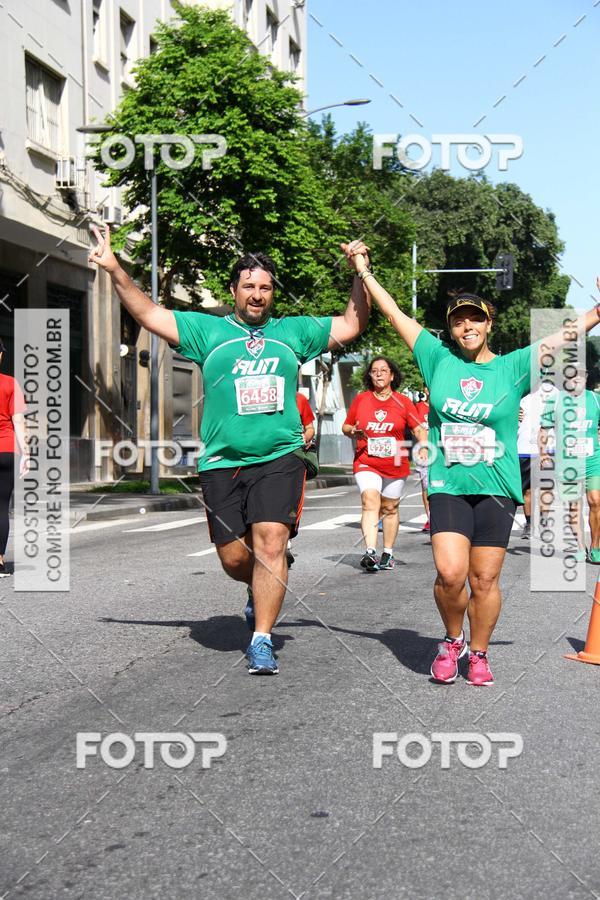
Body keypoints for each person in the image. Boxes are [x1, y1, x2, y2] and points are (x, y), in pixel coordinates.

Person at [88, 225, 370, 675]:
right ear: (234, 291)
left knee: (271, 544)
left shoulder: (293, 332)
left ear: (273, 293)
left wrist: (360, 273)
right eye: (249, 287)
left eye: (265, 287)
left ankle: (261, 639)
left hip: (280, 456)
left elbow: (353, 324)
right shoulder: (207, 332)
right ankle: (256, 585)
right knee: (235, 557)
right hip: (222, 462)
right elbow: (148, 314)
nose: (257, 294)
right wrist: (114, 268)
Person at [341, 239, 600, 685]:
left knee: (484, 581)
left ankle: (478, 653)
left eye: (475, 319)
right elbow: (395, 313)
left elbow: (565, 336)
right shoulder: (435, 358)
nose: (467, 327)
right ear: (451, 330)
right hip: (448, 484)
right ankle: (452, 639)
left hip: (497, 487)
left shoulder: (515, 366)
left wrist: (597, 312)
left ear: (489, 324)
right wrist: (363, 271)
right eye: (459, 321)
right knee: (450, 573)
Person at [342, 357, 426, 571]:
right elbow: (346, 426)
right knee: (369, 500)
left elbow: (417, 428)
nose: (378, 374)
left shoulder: (403, 402)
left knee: (390, 507)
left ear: (392, 375)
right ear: (369, 375)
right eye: (374, 371)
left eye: (383, 370)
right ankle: (370, 552)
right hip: (366, 460)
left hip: (395, 461)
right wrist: (353, 431)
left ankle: (387, 553)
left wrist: (424, 445)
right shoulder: (361, 399)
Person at [539, 368, 600, 563]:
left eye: (581, 375)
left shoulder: (596, 399)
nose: (577, 379)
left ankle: (596, 546)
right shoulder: (555, 401)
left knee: (596, 501)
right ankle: (580, 548)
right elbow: (544, 429)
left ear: (586, 377)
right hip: (567, 464)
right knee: (574, 507)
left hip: (593, 460)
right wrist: (542, 454)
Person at [0, 340, 29, 576]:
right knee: (1, 507)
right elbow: (18, 421)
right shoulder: (10, 383)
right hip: (6, 450)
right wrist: (26, 454)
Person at [517, 382, 558, 539]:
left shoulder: (554, 392)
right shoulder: (520, 390)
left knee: (545, 489)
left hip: (548, 449)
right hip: (524, 448)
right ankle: (529, 524)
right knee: (527, 490)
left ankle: (544, 523)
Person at [284, 390, 316, 567]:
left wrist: (303, 438)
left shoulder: (298, 398)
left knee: (289, 501)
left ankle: (285, 540)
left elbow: (310, 427)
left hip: (291, 458)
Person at [414, 388, 430, 533]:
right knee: (426, 487)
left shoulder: (445, 403)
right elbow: (414, 428)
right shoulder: (419, 407)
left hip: (444, 451)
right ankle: (430, 518)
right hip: (425, 453)